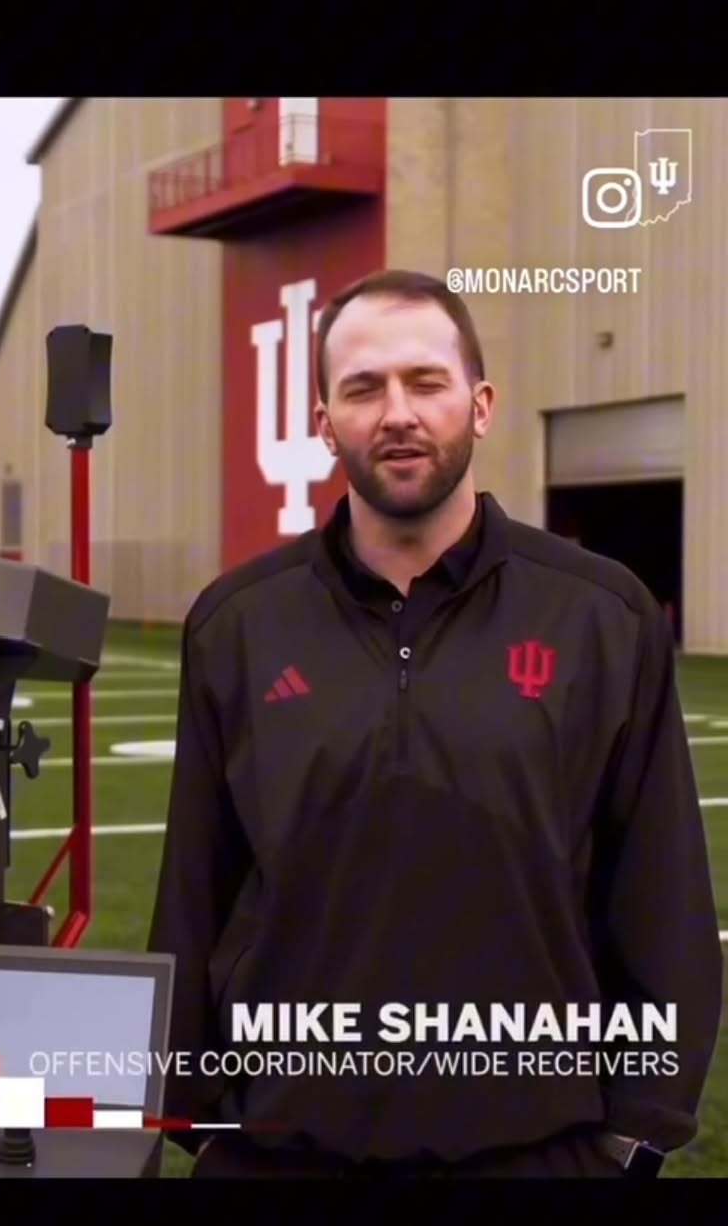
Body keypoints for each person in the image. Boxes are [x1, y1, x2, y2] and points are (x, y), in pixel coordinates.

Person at [145, 268, 723, 1177]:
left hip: (536, 1149)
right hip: (283, 1150)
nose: (398, 413)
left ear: (480, 405)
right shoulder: (238, 622)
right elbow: (195, 885)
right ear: (325, 421)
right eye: (363, 389)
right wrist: (192, 1105)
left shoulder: (601, 614)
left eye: (426, 382)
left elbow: (659, 891)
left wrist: (636, 1129)